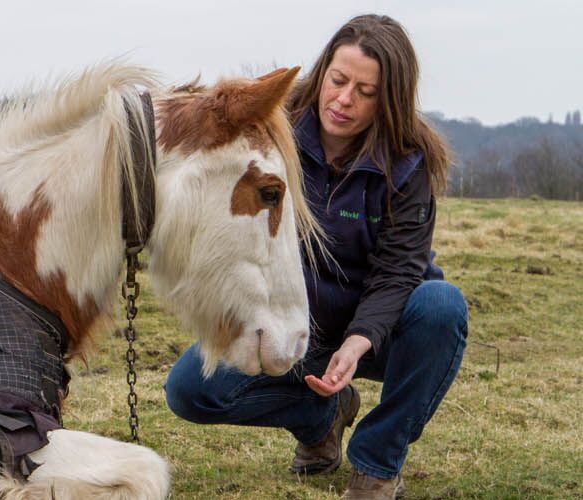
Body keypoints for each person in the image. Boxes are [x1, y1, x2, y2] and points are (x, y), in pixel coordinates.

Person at [162, 14, 469, 500]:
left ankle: (377, 465)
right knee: (189, 391)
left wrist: (360, 339)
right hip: (297, 323)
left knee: (442, 306)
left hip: (385, 331)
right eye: (338, 80)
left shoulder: (410, 161)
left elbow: (400, 271)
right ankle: (322, 418)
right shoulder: (275, 131)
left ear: (389, 99)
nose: (344, 99)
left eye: (365, 92)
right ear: (323, 71)